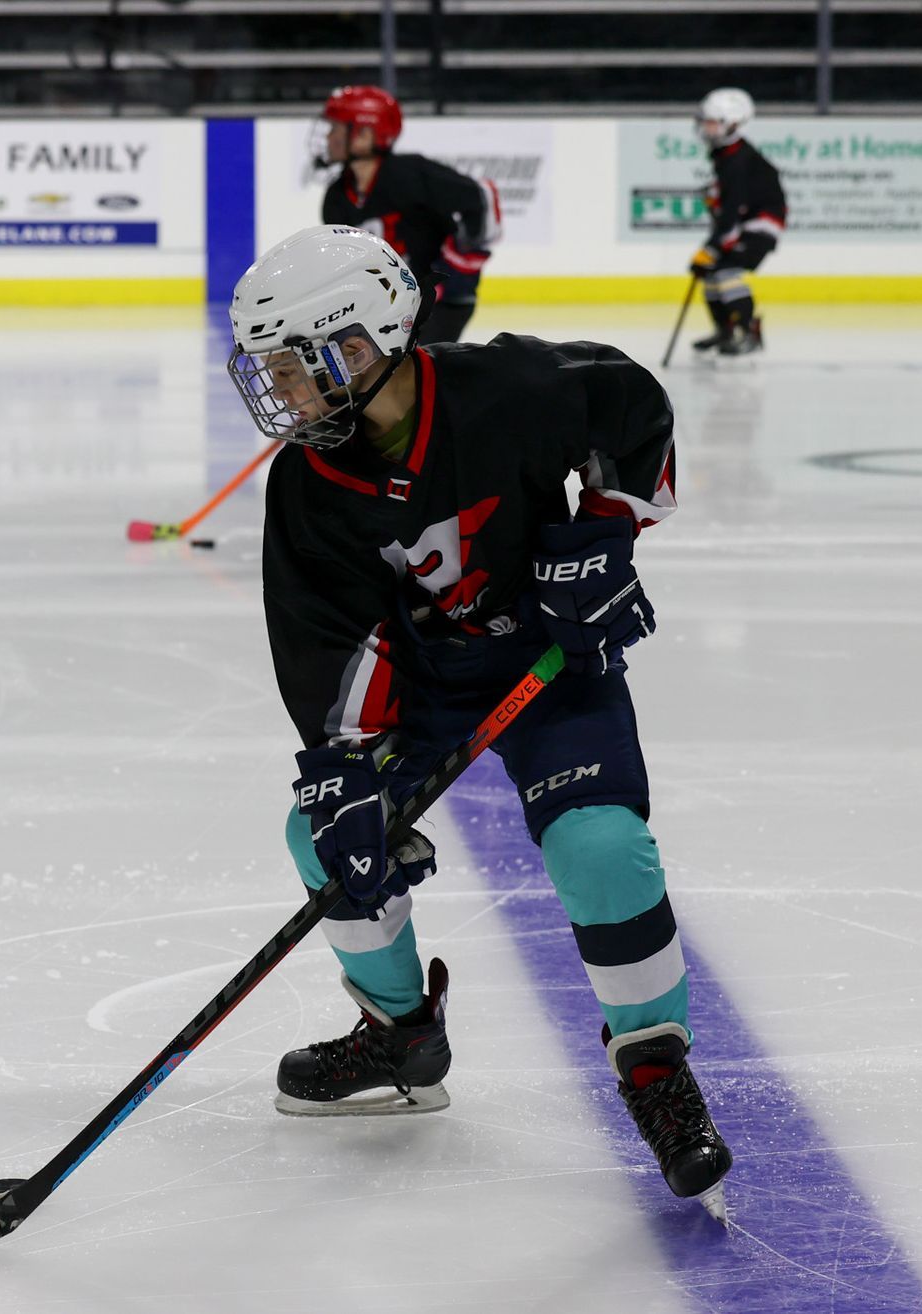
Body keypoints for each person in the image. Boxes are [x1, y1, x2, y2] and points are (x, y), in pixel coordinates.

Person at [225, 224, 732, 1211]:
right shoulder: (310, 485)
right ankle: (402, 1036)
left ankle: (655, 1071)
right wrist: (348, 775)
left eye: (290, 366)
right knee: (326, 838)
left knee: (600, 847)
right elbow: (329, 644)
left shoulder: (509, 390)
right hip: (426, 687)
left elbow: (632, 405)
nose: (277, 391)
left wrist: (605, 535)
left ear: (359, 347)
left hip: (553, 663)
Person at [314, 84, 499, 346]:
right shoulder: (337, 197)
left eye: (336, 128)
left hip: (441, 304)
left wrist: (454, 270)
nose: (328, 136)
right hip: (391, 309)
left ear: (365, 134)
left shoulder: (411, 174)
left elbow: (481, 199)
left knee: (413, 364)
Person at [690, 87, 786, 357]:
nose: (706, 128)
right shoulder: (727, 154)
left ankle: (748, 332)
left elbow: (733, 213)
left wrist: (711, 248)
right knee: (711, 273)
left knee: (725, 271)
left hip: (760, 226)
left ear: (733, 124)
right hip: (745, 223)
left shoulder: (739, 160)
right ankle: (726, 330)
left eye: (713, 122)